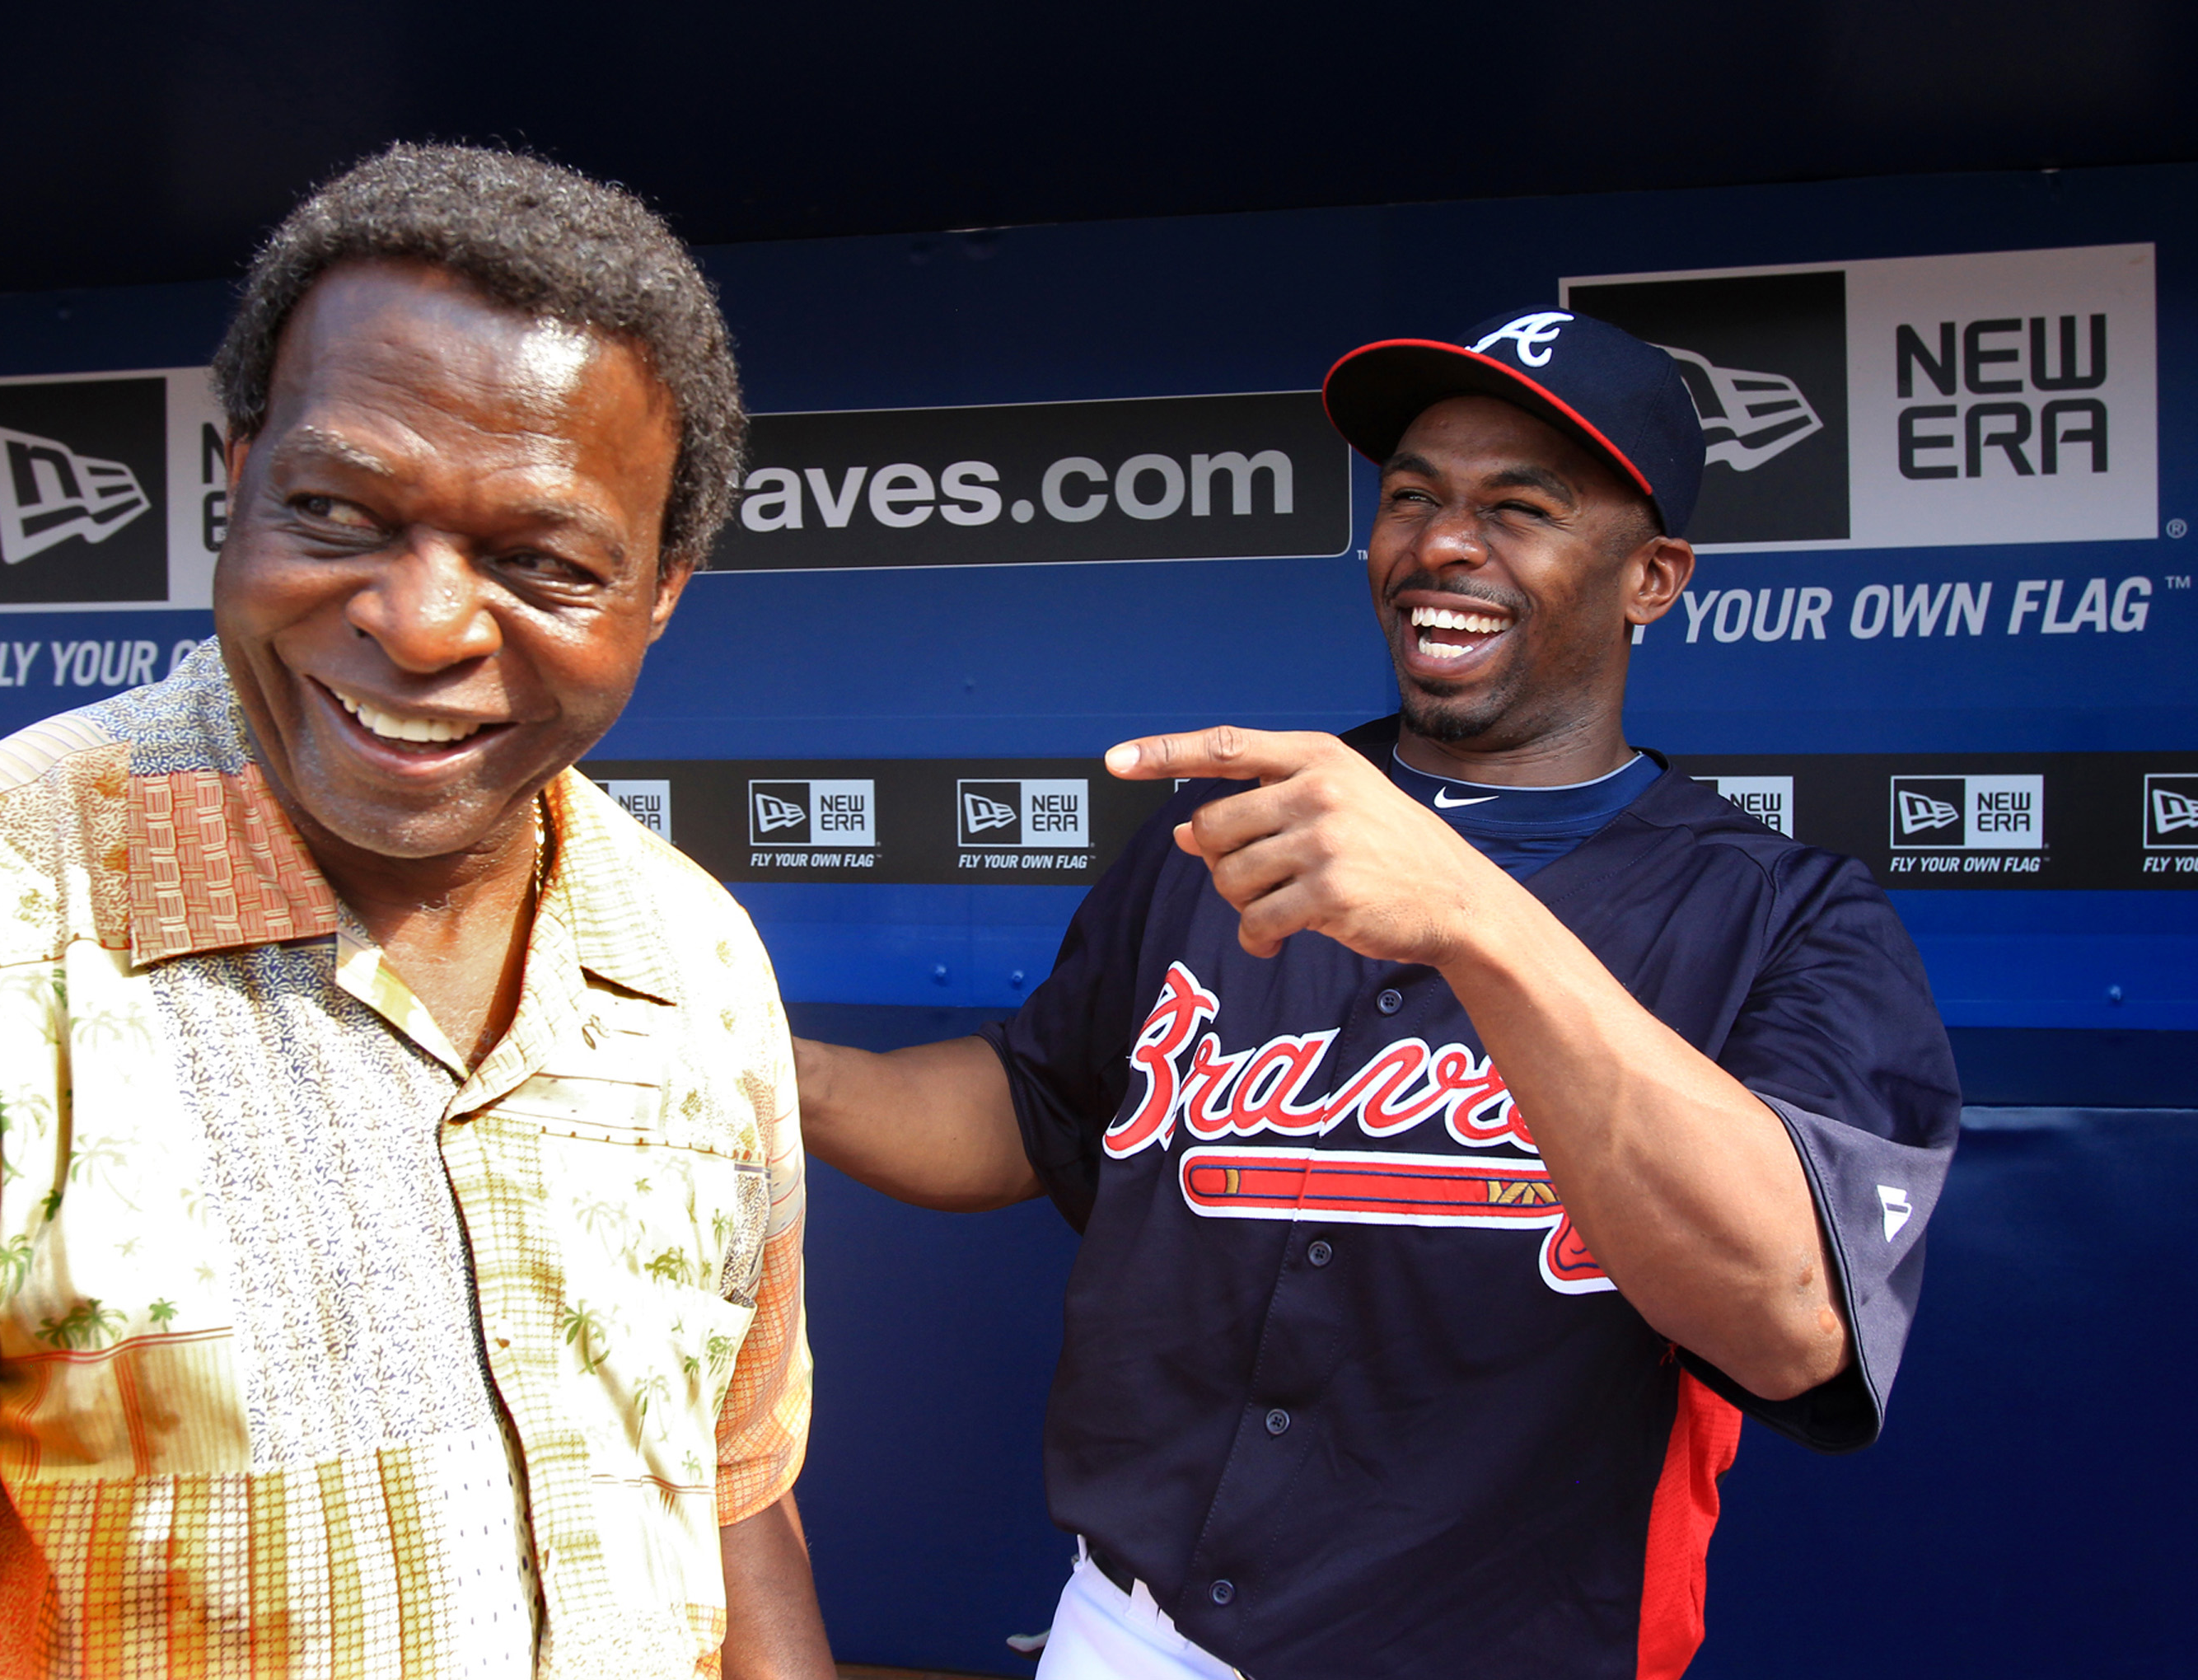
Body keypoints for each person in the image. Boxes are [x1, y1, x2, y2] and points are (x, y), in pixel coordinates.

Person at [0, 144, 833, 1678]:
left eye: (541, 561)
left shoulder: (692, 952)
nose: (422, 621)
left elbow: (732, 1487)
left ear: (659, 591)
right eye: (339, 512)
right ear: (236, 482)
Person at [797, 308, 1960, 1680]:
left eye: (1521, 507)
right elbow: (1034, 1104)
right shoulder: (1234, 826)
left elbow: (1791, 1327)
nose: (1445, 543)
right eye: (1414, 496)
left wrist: (1473, 914)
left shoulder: (1788, 915)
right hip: (1132, 1628)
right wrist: (764, 1064)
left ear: (1653, 578)